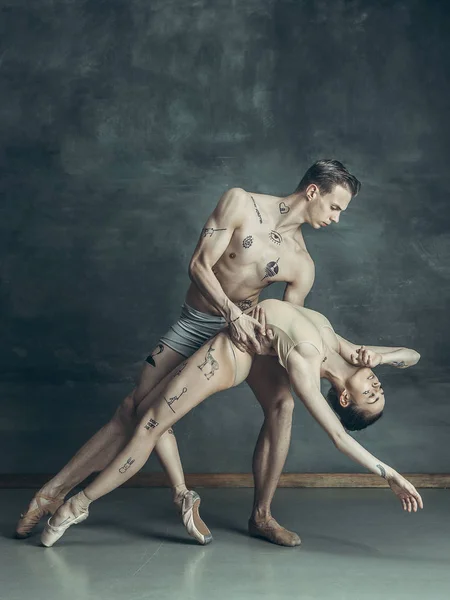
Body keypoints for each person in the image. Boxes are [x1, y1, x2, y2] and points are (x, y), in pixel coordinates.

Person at [17, 160, 360, 547]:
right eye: (335, 207)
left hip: (241, 336)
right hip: (197, 321)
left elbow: (284, 324)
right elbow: (198, 265)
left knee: (283, 405)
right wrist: (231, 313)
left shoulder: (302, 264)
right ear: (313, 191)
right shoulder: (241, 203)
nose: (336, 218)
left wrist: (328, 366)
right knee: (135, 412)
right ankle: (52, 495)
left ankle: (262, 515)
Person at [40, 299, 423, 548]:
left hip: (233, 352)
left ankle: (77, 505)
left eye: (371, 396)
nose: (375, 385)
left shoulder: (308, 363)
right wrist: (383, 358)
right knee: (149, 421)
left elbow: (338, 437)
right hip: (238, 335)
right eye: (379, 389)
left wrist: (388, 473)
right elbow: (413, 355)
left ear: (344, 398)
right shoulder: (342, 347)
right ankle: (77, 503)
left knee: (151, 424)